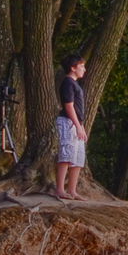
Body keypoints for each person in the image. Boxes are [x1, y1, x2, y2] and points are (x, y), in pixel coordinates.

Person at [54, 52, 88, 200]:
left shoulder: (75, 84)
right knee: (66, 156)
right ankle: (60, 189)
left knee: (78, 157)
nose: (84, 69)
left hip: (76, 123)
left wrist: (80, 125)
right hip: (68, 122)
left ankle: (72, 190)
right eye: (81, 66)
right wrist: (77, 125)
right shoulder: (68, 83)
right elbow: (69, 106)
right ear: (73, 68)